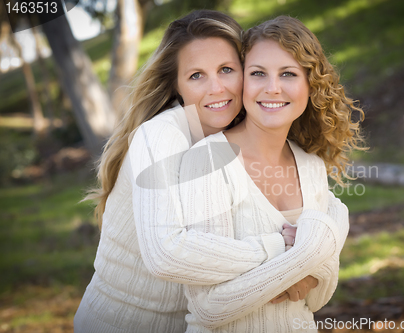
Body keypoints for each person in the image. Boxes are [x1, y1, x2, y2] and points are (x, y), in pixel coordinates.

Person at [74, 10, 291, 333]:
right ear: (176, 86)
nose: (216, 88)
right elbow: (166, 253)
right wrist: (274, 250)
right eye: (196, 76)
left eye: (226, 70)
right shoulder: (161, 135)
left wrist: (298, 268)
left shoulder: (234, 139)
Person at [178, 16, 365, 332]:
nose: (272, 88)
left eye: (288, 74)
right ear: (241, 82)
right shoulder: (208, 160)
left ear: (310, 85)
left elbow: (318, 296)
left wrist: (299, 268)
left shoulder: (311, 166)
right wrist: (302, 258)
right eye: (258, 74)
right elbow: (209, 307)